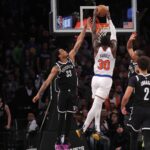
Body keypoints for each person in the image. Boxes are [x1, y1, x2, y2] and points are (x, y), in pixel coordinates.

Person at [32, 20, 89, 148]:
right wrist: (38, 94)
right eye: (63, 50)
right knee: (61, 117)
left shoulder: (71, 58)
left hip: (73, 93)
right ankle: (58, 140)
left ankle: (66, 139)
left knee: (69, 117)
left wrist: (84, 28)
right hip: (62, 93)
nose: (65, 51)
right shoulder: (56, 67)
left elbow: (78, 43)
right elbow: (47, 82)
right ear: (59, 56)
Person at [76, 7, 117, 141]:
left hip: (95, 78)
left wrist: (94, 17)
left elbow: (93, 32)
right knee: (96, 105)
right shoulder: (113, 49)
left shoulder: (96, 47)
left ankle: (98, 130)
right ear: (110, 41)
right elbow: (114, 31)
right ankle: (83, 128)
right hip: (105, 79)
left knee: (97, 104)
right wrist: (109, 17)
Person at [121, 56, 150, 150]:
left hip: (137, 110)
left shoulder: (135, 79)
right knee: (147, 141)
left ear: (138, 66)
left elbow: (126, 97)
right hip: (149, 111)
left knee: (133, 137)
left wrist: (122, 106)